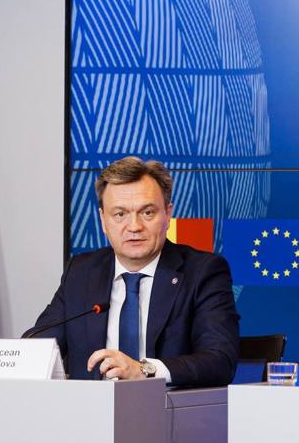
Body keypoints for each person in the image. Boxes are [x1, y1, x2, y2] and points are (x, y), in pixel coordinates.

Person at [31, 156, 239, 387]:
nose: (134, 226)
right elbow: (38, 348)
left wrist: (144, 370)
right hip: (88, 416)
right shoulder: (81, 272)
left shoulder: (202, 272)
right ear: (103, 220)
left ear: (168, 214)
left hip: (168, 415)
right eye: (120, 214)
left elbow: (220, 360)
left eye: (147, 213)